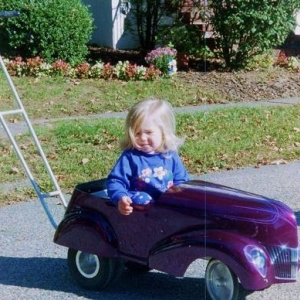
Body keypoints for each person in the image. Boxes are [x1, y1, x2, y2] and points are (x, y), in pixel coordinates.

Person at [107, 98, 189, 215]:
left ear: (163, 132)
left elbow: (182, 181)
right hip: (138, 209)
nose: (143, 138)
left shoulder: (169, 156)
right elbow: (116, 181)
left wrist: (178, 194)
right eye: (137, 133)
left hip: (165, 208)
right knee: (143, 198)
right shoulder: (130, 157)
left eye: (149, 132)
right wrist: (121, 198)